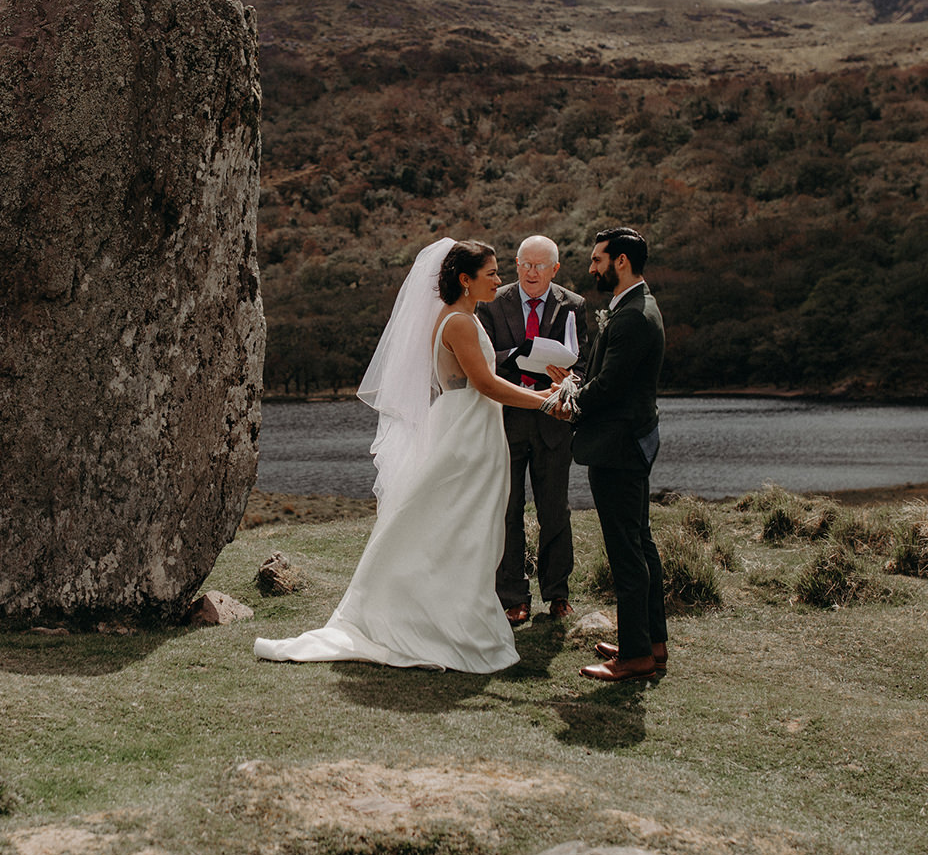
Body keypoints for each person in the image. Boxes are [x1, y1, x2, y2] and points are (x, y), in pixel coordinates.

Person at [254, 238, 556, 672]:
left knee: (460, 528)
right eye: (490, 273)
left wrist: (544, 392)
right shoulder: (460, 324)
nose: (499, 279)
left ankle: (450, 615)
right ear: (465, 280)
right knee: (463, 528)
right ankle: (447, 626)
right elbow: (486, 385)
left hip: (467, 425)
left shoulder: (459, 318)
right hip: (468, 433)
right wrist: (544, 401)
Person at [564, 226, 669, 684]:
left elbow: (609, 387)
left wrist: (568, 402)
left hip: (619, 447)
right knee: (640, 542)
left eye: (598, 259)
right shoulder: (634, 306)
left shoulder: (631, 316)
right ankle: (650, 642)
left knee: (626, 550)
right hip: (632, 441)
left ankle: (634, 656)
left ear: (620, 261)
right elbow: (607, 375)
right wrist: (573, 381)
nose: (592, 268)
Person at [475, 235, 587, 625]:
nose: (532, 272)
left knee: (555, 510)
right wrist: (520, 353)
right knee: (508, 511)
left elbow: (584, 364)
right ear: (516, 263)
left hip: (553, 424)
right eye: (525, 264)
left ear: (555, 269)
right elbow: (482, 357)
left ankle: (558, 594)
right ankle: (513, 597)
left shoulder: (574, 305)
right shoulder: (492, 300)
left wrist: (568, 379)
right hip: (505, 421)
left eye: (541, 266)